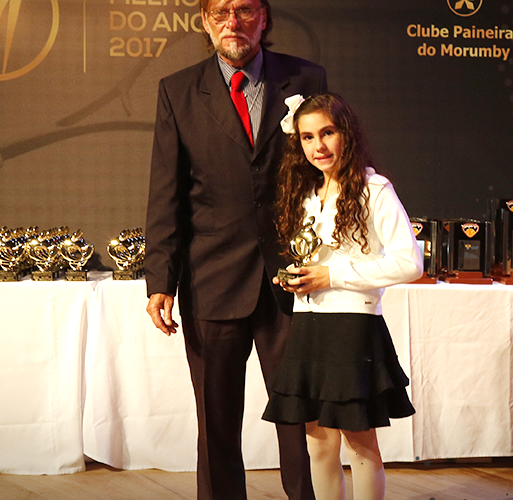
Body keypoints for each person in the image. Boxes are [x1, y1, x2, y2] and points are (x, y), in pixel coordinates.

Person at [143, 0, 327, 499]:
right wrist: (161, 281)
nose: (233, 22)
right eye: (221, 11)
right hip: (211, 280)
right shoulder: (177, 91)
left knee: (302, 419)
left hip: (293, 280)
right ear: (205, 20)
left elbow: (326, 171)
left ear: (263, 17)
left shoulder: (307, 79)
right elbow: (166, 193)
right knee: (217, 423)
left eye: (244, 10)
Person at [262, 93, 423, 500]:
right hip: (308, 324)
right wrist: (298, 278)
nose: (318, 146)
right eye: (307, 137)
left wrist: (332, 276)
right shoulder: (305, 192)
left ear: (346, 133)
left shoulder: (374, 188)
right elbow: (314, 259)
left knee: (359, 444)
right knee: (317, 443)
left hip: (352, 326)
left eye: (327, 133)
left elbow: (410, 263)